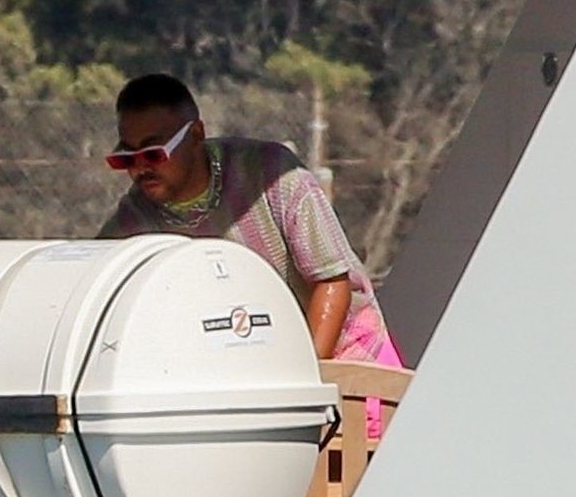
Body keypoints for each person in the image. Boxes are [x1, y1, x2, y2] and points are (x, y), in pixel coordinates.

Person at [98, 73, 401, 368]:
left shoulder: (273, 173)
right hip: (254, 369)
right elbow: (99, 288)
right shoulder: (133, 220)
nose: (140, 169)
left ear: (196, 135)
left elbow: (331, 281)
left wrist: (308, 381)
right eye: (126, 159)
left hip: (350, 355)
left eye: (153, 154)